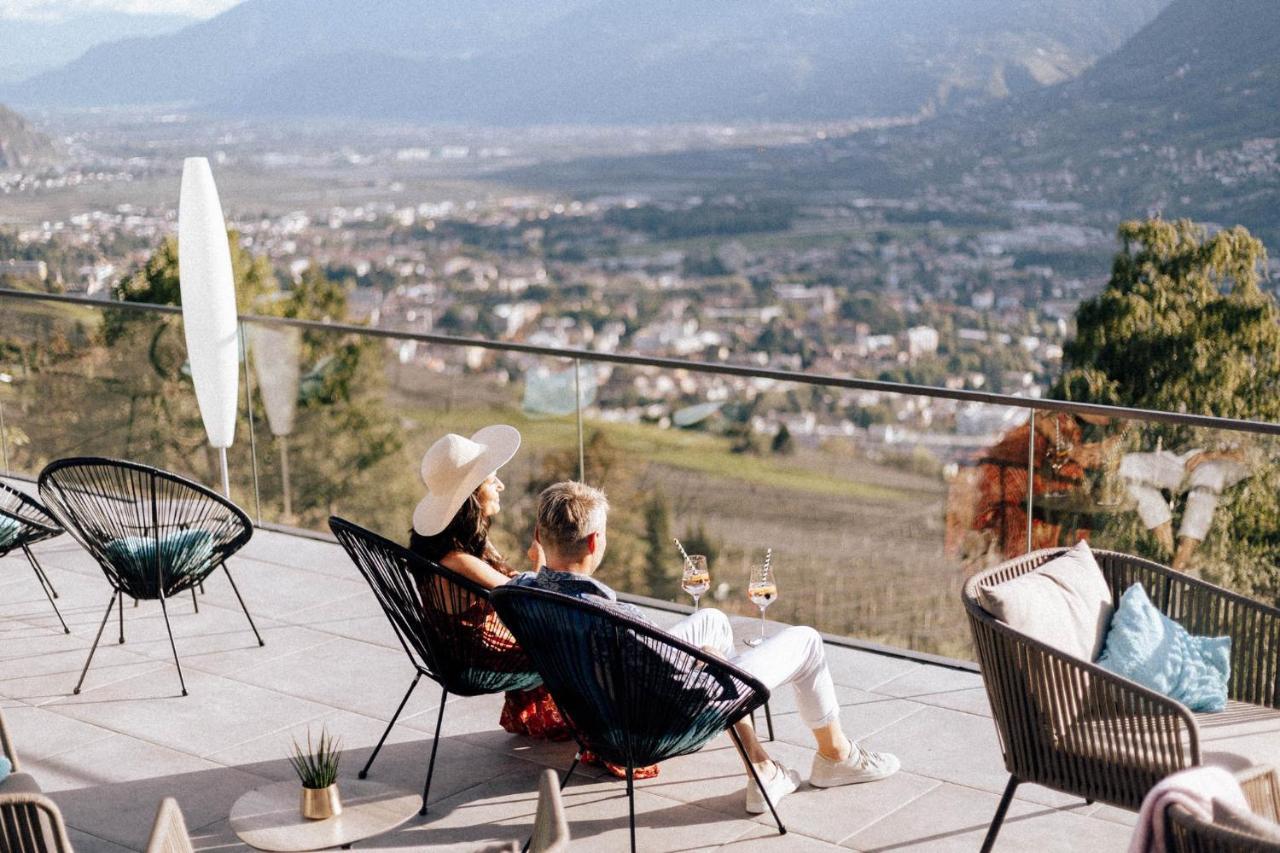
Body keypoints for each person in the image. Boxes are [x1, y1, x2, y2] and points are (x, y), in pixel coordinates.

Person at [512, 481, 900, 815]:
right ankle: (836, 757)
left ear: (540, 536)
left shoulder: (521, 596)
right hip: (654, 724)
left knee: (712, 621)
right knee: (807, 642)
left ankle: (760, 766)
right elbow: (683, 681)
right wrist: (715, 664)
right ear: (596, 541)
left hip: (592, 714)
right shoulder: (616, 621)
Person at [406, 425, 572, 742]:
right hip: (474, 664)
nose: (500, 485)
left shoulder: (458, 547)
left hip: (465, 653)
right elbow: (530, 597)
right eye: (491, 479)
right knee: (581, 638)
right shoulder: (458, 560)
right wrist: (541, 561)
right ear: (472, 496)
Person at [1120, 441, 1249, 572]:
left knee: (1209, 472)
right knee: (1128, 464)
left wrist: (1211, 455)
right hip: (1186, 457)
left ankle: (1182, 558)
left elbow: (1249, 454)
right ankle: (1165, 541)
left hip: (1222, 462)